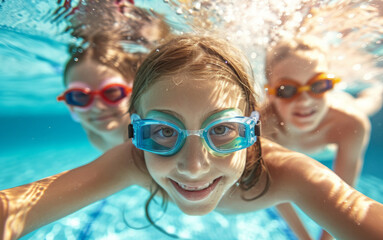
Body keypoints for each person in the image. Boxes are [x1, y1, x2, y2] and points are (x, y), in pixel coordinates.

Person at [1, 35, 383, 240]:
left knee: (358, 109)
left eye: (223, 130)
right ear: (135, 132)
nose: (194, 166)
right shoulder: (134, 158)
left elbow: (352, 209)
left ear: (252, 131)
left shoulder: (289, 173)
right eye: (164, 132)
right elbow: (18, 209)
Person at [263, 36, 381, 240]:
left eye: (319, 85)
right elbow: (275, 193)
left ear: (331, 84)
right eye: (287, 89)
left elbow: (343, 199)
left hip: (340, 110)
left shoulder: (350, 124)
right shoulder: (261, 127)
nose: (305, 100)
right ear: (270, 93)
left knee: (367, 104)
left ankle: (377, 88)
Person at [57, 2, 172, 152]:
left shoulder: (155, 133)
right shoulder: (94, 130)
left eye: (111, 92)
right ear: (71, 106)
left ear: (135, 92)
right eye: (80, 96)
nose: (97, 107)